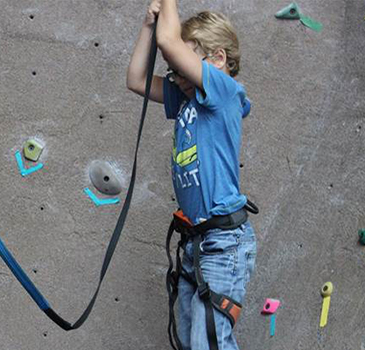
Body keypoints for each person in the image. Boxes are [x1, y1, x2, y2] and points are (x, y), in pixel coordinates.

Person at [127, 1, 256, 349]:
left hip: (222, 244)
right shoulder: (188, 99)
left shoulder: (223, 94)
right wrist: (147, 25)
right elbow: (137, 81)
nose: (177, 78)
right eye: (175, 72)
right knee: (190, 342)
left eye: (183, 68)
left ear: (216, 60)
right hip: (197, 244)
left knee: (207, 343)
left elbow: (170, 43)